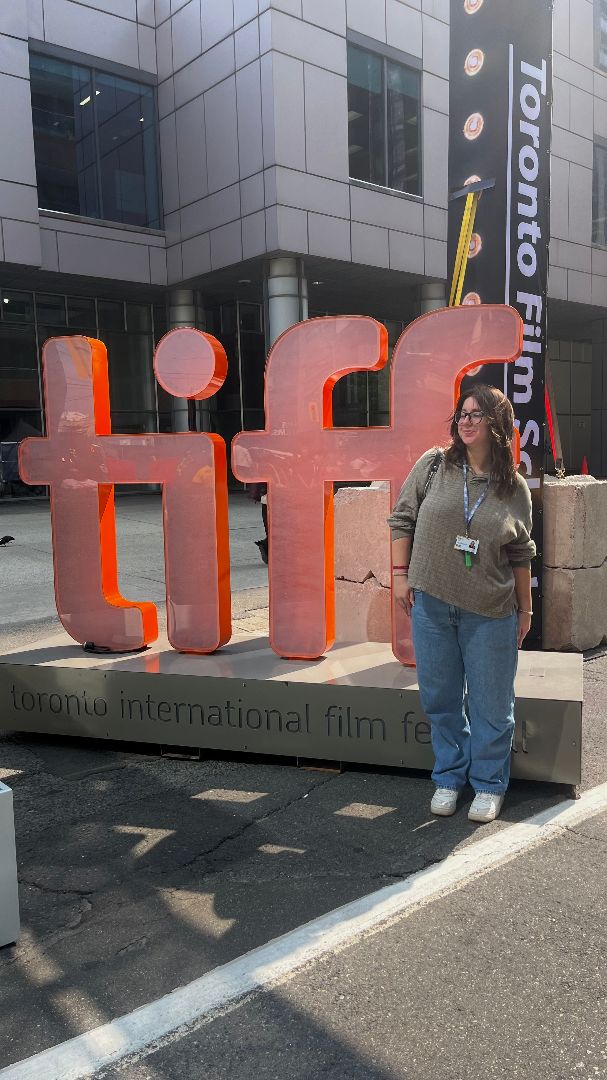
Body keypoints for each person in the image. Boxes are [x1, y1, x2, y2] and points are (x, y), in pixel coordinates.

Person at [387, 384, 535, 824]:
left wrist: (525, 611)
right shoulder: (434, 465)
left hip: (490, 611)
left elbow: (522, 553)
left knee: (491, 705)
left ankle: (489, 784)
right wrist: (398, 576)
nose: (466, 421)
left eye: (477, 414)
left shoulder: (514, 487)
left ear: (498, 425)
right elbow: (402, 517)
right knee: (441, 698)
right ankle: (450, 776)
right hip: (432, 606)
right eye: (462, 414)